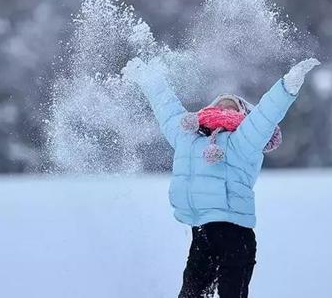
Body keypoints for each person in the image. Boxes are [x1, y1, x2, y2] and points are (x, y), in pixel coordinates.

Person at [121, 56, 320, 298]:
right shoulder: (189, 138)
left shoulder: (245, 139)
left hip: (236, 237)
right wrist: (149, 78)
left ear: (245, 115)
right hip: (202, 235)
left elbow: (267, 114)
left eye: (233, 107)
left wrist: (288, 85)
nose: (225, 109)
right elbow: (167, 108)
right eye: (220, 105)